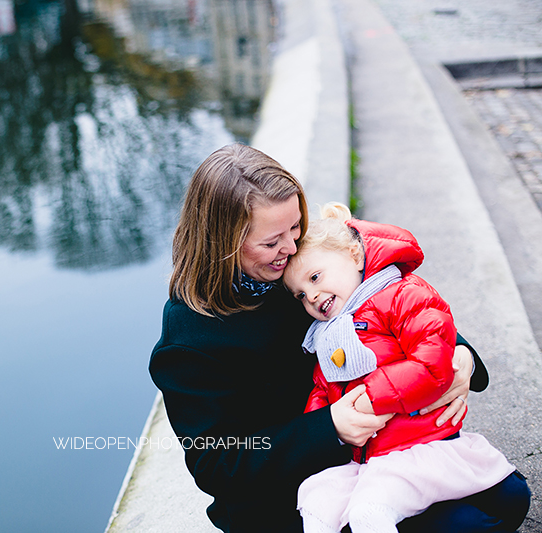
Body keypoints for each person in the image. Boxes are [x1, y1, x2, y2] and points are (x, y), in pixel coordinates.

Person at [149, 143, 530, 533]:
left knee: (509, 497)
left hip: (379, 456)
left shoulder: (295, 268)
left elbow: (386, 300)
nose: (291, 248)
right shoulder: (189, 341)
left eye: (295, 227)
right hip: (288, 497)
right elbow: (218, 465)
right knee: (467, 522)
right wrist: (330, 427)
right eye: (271, 242)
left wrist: (461, 354)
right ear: (224, 243)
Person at [282, 203, 518, 533]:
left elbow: (431, 357)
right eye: (300, 295)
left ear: (354, 254)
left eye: (315, 278)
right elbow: (324, 387)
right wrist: (326, 426)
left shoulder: (400, 293)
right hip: (369, 457)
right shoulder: (329, 334)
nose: (311, 296)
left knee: (369, 512)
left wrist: (370, 397)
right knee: (317, 503)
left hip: (417, 445)